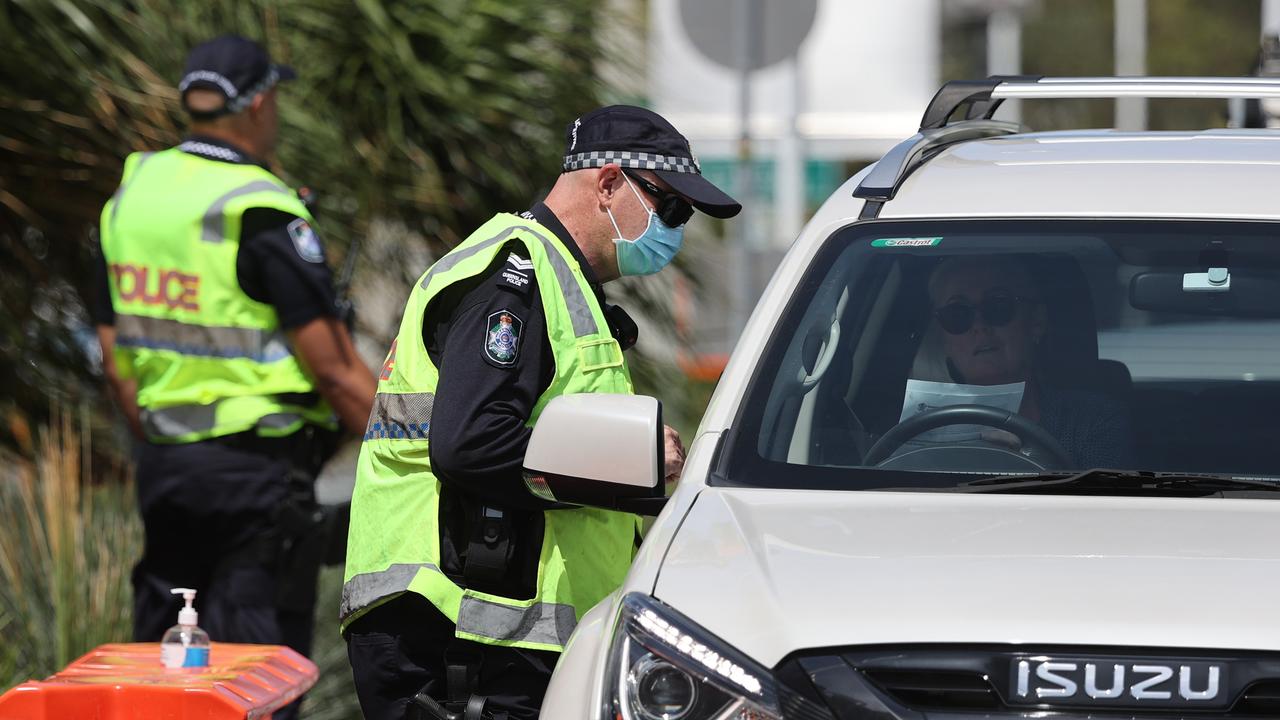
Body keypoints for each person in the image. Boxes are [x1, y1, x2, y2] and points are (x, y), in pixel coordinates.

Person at [341, 105, 741, 720]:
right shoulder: (515, 278)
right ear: (608, 184)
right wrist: (632, 462)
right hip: (456, 636)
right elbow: (470, 444)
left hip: (497, 638)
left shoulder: (563, 285)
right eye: (671, 207)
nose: (676, 228)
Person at [93, 34, 377, 714]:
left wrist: (164, 440)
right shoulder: (259, 207)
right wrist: (414, 448)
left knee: (167, 671)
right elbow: (336, 371)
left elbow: (116, 358)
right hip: (259, 480)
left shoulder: (132, 199)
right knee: (257, 680)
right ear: (257, 105)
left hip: (168, 470)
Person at [924, 255, 1134, 467]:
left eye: (997, 305)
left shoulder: (1092, 420)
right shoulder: (921, 426)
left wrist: (1019, 464)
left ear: (1036, 322)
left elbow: (1100, 498)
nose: (979, 326)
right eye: (957, 314)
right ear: (944, 341)